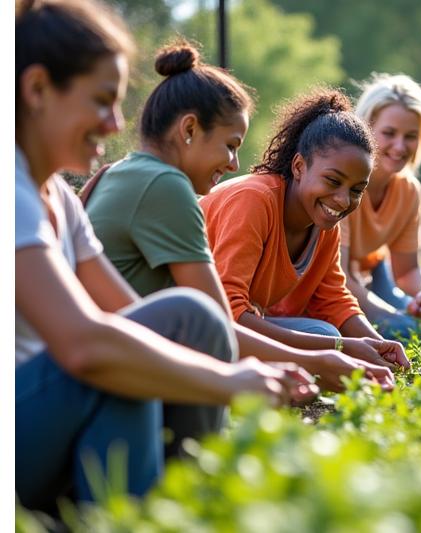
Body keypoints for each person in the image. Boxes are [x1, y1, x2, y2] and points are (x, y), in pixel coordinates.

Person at [15, 0, 315, 510]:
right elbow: (85, 345)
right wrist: (229, 381)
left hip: (50, 418)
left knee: (166, 329)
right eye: (102, 101)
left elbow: (125, 318)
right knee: (156, 336)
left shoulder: (60, 198)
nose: (115, 123)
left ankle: (150, 507)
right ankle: (179, 498)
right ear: (38, 89)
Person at [84, 41, 393, 423]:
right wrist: (320, 355)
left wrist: (352, 346)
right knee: (196, 318)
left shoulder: (121, 172)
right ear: (189, 129)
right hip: (113, 367)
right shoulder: (168, 186)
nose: (234, 164)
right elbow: (218, 320)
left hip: (115, 351)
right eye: (230, 147)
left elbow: (328, 298)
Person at [199, 88, 411, 371]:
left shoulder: (325, 224)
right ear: (299, 166)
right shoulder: (254, 201)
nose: (343, 200)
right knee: (327, 338)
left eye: (357, 190)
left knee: (324, 334)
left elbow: (333, 299)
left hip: (234, 325)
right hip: (195, 321)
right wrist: (341, 347)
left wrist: (377, 345)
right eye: (333, 181)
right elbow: (227, 310)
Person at [339, 73, 421, 339]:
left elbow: (407, 270)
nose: (400, 146)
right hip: (336, 286)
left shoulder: (408, 191)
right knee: (405, 330)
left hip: (372, 274)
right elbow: (340, 277)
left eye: (410, 136)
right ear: (366, 128)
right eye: (389, 133)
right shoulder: (341, 184)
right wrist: (393, 317)